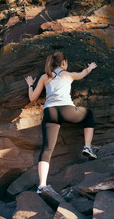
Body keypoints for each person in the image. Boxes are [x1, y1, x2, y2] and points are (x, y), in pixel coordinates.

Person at [25, 51, 97, 193]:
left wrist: (29, 85)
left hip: (50, 112)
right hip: (66, 110)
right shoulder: (68, 74)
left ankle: (42, 185)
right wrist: (90, 67)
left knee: (47, 149)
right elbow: (83, 74)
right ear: (63, 63)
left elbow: (32, 98)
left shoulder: (45, 77)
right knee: (89, 115)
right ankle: (87, 147)